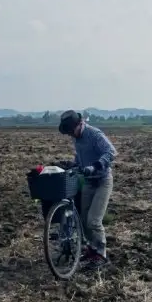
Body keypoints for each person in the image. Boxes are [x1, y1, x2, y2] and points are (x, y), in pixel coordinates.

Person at [58, 109, 117, 268]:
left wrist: (95, 166)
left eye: (72, 131)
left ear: (79, 124)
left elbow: (111, 152)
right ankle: (92, 249)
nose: (71, 135)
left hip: (102, 181)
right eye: (69, 132)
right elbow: (80, 156)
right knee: (83, 220)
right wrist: (72, 164)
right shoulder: (76, 138)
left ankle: (101, 255)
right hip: (89, 182)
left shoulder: (94, 134)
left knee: (93, 220)